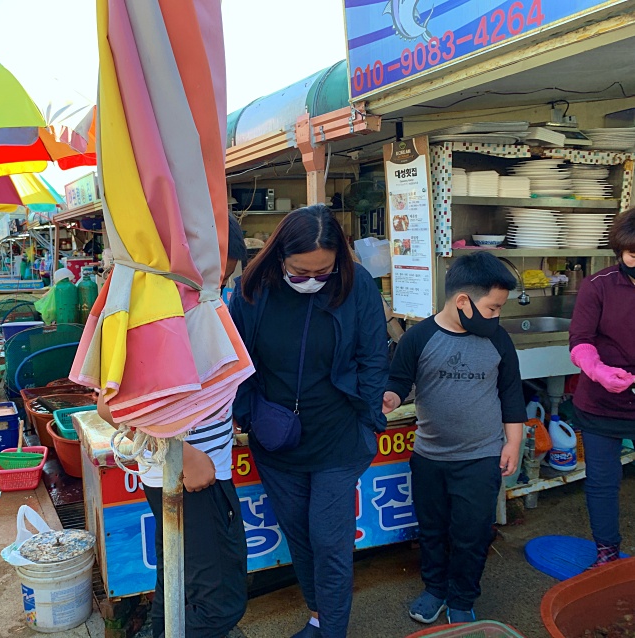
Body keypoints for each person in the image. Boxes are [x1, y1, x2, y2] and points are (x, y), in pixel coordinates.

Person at [230, 205, 388, 638]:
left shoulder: (357, 286)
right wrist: (247, 414)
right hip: (277, 439)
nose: (313, 280)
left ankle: (333, 630)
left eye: (323, 271)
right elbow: (237, 362)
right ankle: (318, 616)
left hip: (339, 436)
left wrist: (370, 419)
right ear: (280, 256)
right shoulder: (251, 290)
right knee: (299, 534)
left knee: (329, 540)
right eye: (300, 272)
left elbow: (374, 357)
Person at [121, 213, 249, 638]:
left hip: (186, 471)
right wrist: (182, 452)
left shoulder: (192, 303)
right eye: (214, 277)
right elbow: (112, 404)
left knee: (175, 584)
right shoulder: (161, 310)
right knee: (218, 604)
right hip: (190, 476)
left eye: (224, 280)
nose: (217, 288)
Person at [382, 251, 524, 625]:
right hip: (430, 457)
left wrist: (513, 443)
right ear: (463, 301)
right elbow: (398, 381)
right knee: (432, 530)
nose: (496, 316)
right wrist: (390, 397)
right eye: (492, 308)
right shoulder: (419, 337)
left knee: (472, 534)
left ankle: (462, 597)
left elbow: (511, 394)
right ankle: (435, 589)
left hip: (481, 457)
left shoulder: (498, 340)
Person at [569, 208, 635, 567]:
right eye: (633, 254)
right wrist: (597, 370)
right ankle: (606, 554)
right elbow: (580, 339)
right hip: (601, 401)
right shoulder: (598, 285)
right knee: (603, 481)